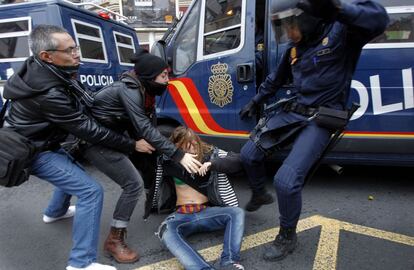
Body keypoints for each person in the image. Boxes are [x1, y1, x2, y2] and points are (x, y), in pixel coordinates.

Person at [238, 0, 389, 262]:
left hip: (321, 119)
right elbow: (275, 78)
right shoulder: (296, 48)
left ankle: (287, 236)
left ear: (307, 18)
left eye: (290, 24)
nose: (287, 31)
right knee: (248, 153)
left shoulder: (340, 34)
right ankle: (260, 193)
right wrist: (256, 100)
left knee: (286, 181)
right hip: (294, 112)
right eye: (283, 26)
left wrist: (340, 9)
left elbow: (379, 20)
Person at [2, 25, 150, 270]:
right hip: (34, 150)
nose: (77, 54)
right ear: (46, 55)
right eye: (70, 50)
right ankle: (81, 263)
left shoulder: (45, 69)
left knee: (71, 169)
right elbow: (88, 129)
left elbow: (84, 100)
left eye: (76, 47)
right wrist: (132, 144)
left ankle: (54, 212)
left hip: (41, 140)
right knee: (91, 191)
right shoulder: (50, 93)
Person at [85, 49, 202, 262]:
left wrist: (153, 145)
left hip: (115, 135)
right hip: (96, 141)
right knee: (133, 184)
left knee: (150, 157)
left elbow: (150, 125)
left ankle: (56, 208)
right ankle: (114, 239)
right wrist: (178, 155)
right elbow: (144, 128)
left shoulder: (145, 90)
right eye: (164, 76)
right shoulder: (130, 89)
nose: (168, 80)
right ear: (150, 77)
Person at [151, 126, 245, 270]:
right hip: (181, 214)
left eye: (194, 144)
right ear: (176, 147)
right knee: (166, 230)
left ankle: (229, 262)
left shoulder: (210, 153)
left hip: (206, 212)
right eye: (186, 147)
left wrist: (212, 164)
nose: (192, 150)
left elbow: (238, 160)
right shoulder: (168, 159)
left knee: (237, 212)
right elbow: (151, 142)